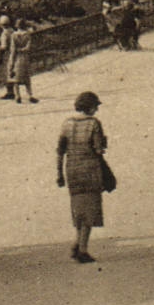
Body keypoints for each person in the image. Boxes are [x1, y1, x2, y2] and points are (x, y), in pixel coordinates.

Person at [57, 92, 109, 263]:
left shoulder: (67, 124)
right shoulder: (94, 124)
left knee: (78, 209)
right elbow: (98, 149)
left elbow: (60, 151)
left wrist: (59, 174)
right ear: (91, 107)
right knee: (89, 211)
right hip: (90, 169)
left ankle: (77, 243)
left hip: (71, 170)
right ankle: (82, 249)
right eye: (96, 106)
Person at [4, 19, 38, 103]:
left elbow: (13, 50)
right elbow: (28, 47)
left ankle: (18, 96)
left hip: (17, 58)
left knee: (16, 79)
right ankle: (30, 95)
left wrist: (11, 62)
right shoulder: (27, 35)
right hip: (25, 58)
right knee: (27, 78)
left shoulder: (14, 35)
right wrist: (23, 49)